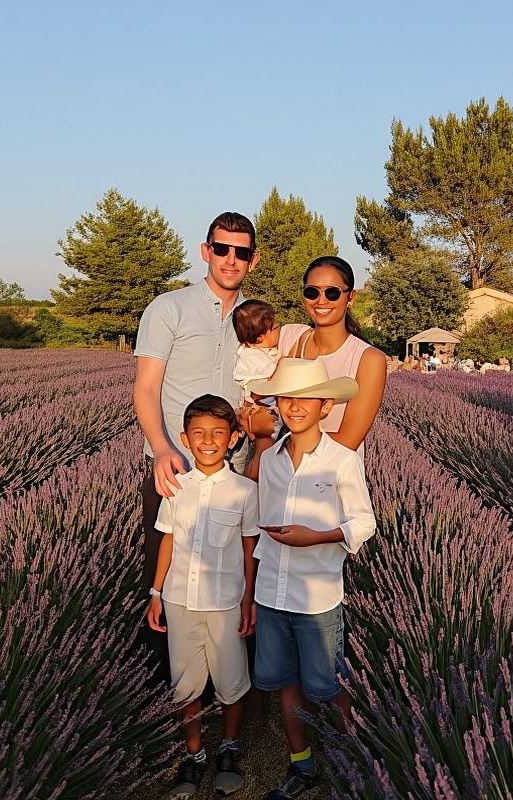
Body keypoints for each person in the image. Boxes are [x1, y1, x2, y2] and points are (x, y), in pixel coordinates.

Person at [134, 211, 260, 684]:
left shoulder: (255, 318)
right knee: (166, 572)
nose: (231, 259)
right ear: (206, 251)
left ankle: (229, 683)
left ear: (253, 258)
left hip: (233, 471)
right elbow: (146, 388)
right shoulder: (169, 308)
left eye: (241, 252)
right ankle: (167, 687)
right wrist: (162, 447)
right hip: (176, 467)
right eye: (222, 249)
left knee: (233, 572)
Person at [246, 358, 376, 799]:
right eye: (286, 398)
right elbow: (254, 514)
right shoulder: (270, 459)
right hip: (270, 593)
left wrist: (318, 536)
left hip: (317, 597)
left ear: (325, 405)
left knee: (327, 686)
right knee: (285, 681)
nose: (294, 407)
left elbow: (364, 522)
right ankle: (302, 764)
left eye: (305, 399)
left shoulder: (342, 460)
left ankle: (353, 758)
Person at [145, 395, 259, 798]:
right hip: (179, 599)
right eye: (198, 434)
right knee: (185, 683)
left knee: (231, 679)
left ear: (233, 439)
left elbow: (249, 550)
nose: (207, 441)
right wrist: (156, 592)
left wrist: (249, 601)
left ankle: (228, 747)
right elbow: (168, 542)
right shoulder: (176, 488)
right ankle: (193, 754)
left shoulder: (245, 491)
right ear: (184, 439)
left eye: (217, 433)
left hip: (226, 602)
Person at [256, 256, 386, 467]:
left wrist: (279, 452)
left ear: (351, 298)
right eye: (312, 292)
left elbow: (348, 441)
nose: (321, 301)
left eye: (332, 293)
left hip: (330, 480)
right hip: (282, 474)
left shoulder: (369, 359)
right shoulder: (291, 339)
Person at [232, 299, 281, 409]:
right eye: (275, 328)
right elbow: (275, 377)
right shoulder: (251, 357)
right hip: (261, 407)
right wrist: (283, 362)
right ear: (260, 337)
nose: (280, 328)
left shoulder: (256, 351)